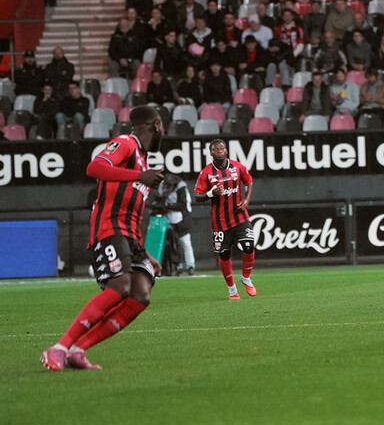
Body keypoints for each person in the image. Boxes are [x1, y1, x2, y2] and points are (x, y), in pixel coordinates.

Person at [40, 106, 166, 371]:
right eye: (162, 126)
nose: (163, 131)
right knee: (120, 285)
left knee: (141, 294)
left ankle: (78, 350)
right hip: (109, 229)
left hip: (130, 235)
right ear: (155, 125)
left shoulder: (143, 160)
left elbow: (130, 208)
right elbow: (95, 167)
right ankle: (59, 347)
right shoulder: (125, 143)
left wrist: (144, 253)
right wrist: (138, 175)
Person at [193, 139, 257, 300]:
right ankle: (232, 289)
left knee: (249, 246)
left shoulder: (238, 167)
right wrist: (210, 194)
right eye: (216, 149)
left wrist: (247, 201)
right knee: (224, 255)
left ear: (227, 151)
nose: (220, 151)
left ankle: (246, 277)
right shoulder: (206, 173)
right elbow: (197, 196)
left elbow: (249, 182)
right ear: (211, 153)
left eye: (223, 148)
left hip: (239, 216)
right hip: (219, 221)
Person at [154, 173, 195, 275]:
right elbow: (159, 201)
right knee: (173, 244)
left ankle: (190, 266)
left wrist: (168, 206)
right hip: (168, 217)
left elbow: (182, 205)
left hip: (182, 217)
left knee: (185, 242)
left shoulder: (181, 187)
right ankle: (178, 266)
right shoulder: (161, 186)